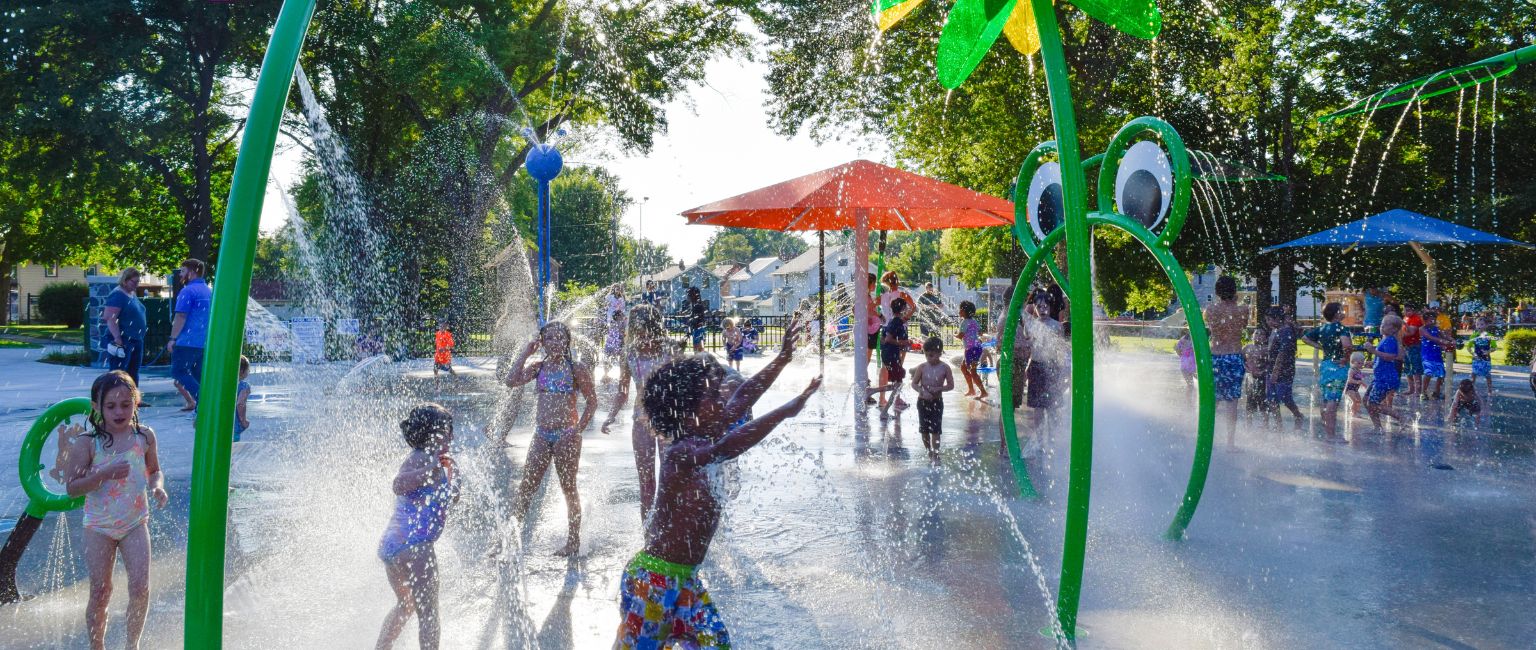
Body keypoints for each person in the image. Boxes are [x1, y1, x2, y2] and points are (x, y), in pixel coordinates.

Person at [614, 355, 820, 650]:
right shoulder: (681, 451)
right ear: (687, 411)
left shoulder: (706, 430)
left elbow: (744, 396)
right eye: (712, 396)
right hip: (654, 581)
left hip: (687, 580)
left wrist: (782, 358)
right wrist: (785, 411)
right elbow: (726, 447)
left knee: (716, 643)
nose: (723, 401)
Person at [58, 371, 168, 650]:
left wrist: (157, 486)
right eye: (111, 406)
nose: (119, 412)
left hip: (135, 523)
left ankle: (132, 645)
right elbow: (72, 488)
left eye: (126, 404)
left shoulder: (144, 436)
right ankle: (97, 646)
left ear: (136, 402)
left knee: (140, 587)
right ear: (96, 406)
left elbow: (154, 470)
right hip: (99, 526)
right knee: (101, 590)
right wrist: (103, 474)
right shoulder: (87, 442)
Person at [505, 321, 599, 556]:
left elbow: (592, 402)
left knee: (568, 488)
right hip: (541, 434)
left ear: (567, 341)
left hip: (566, 435)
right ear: (542, 343)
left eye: (560, 338)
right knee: (526, 487)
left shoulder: (576, 369)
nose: (555, 342)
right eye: (550, 338)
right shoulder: (538, 368)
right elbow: (510, 381)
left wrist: (577, 430)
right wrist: (525, 354)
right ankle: (508, 541)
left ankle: (573, 542)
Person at [376, 404, 459, 650]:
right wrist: (429, 470)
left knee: (406, 605)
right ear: (431, 433)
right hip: (416, 547)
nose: (452, 436)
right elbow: (398, 485)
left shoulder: (433, 461)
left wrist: (453, 476)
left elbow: (449, 498)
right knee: (429, 612)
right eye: (447, 430)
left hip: (394, 547)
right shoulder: (421, 458)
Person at [603, 305, 673, 520]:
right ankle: (648, 531)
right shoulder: (629, 353)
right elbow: (623, 391)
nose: (644, 336)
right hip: (641, 419)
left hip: (669, 420)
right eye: (639, 331)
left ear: (655, 327)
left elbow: (685, 383)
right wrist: (611, 415)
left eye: (647, 330)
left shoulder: (669, 349)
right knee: (646, 480)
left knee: (670, 477)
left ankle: (668, 529)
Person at [1205, 276, 1248, 450]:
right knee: (1232, 402)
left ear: (1217, 291)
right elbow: (1242, 326)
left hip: (1215, 356)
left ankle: (1206, 440)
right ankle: (1230, 443)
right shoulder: (1243, 309)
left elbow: (1212, 327)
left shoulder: (1210, 309)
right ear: (1234, 291)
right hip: (1234, 356)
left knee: (1212, 400)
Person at [1302, 302, 1354, 441]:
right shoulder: (1341, 328)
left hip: (1325, 365)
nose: (1344, 312)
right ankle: (1331, 435)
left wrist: (1320, 347)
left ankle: (1327, 432)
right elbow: (1347, 346)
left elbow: (1305, 338)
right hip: (1337, 367)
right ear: (1337, 313)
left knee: (1326, 399)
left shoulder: (1322, 328)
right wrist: (1345, 358)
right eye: (1342, 310)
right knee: (1333, 401)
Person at [167, 258, 212, 407]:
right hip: (203, 342)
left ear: (192, 272)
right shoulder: (209, 291)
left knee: (178, 372)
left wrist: (173, 338)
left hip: (187, 341)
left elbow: (181, 316)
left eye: (183, 271)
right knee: (199, 375)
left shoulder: (187, 291)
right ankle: (205, 406)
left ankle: (204, 402)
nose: (180, 274)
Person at [101, 268, 147, 387]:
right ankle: (115, 394)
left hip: (135, 338)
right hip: (124, 339)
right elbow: (110, 318)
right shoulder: (118, 295)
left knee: (133, 372)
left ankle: (133, 396)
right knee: (119, 373)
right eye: (134, 282)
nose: (136, 285)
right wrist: (117, 338)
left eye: (138, 282)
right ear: (125, 280)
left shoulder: (131, 293)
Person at [911, 336, 955, 454]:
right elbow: (914, 384)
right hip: (922, 402)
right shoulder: (922, 367)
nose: (928, 358)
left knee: (936, 430)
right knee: (924, 430)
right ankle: (928, 451)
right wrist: (921, 391)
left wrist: (939, 389)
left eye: (931, 355)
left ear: (939, 353)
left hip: (937, 402)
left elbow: (951, 385)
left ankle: (936, 453)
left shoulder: (945, 368)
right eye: (926, 355)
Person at [1265, 307, 1305, 430]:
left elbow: (1282, 353)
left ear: (1277, 318)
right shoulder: (1277, 330)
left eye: (1269, 319)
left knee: (1284, 397)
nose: (1268, 322)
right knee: (1271, 399)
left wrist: (1275, 372)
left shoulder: (1286, 331)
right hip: (1272, 368)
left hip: (1284, 370)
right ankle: (1279, 425)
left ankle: (1298, 415)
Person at [1365, 314, 1406, 433]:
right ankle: (1377, 427)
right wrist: (1373, 362)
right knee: (1366, 400)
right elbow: (1383, 357)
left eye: (1385, 325)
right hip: (1380, 377)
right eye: (1382, 324)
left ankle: (1401, 418)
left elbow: (1391, 357)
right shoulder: (1385, 339)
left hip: (1385, 378)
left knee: (1372, 404)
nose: (1381, 326)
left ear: (1394, 329)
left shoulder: (1390, 340)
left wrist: (1373, 351)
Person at [877, 297, 911, 416]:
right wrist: (904, 342)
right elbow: (888, 339)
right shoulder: (896, 321)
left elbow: (883, 338)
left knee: (897, 382)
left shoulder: (895, 320)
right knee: (898, 384)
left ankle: (892, 404)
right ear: (902, 309)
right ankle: (884, 409)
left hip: (890, 354)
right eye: (906, 307)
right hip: (891, 355)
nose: (907, 310)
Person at [1419, 308, 1454, 399]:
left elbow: (1445, 336)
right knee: (1428, 373)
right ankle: (1423, 392)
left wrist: (1452, 340)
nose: (1433, 321)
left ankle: (1436, 392)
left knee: (1441, 374)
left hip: (1437, 354)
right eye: (1431, 320)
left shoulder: (1437, 329)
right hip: (1427, 355)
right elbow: (1431, 338)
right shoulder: (1422, 329)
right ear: (1425, 320)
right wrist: (1443, 341)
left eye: (1434, 319)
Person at [956, 301, 987, 400]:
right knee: (963, 367)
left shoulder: (964, 322)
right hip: (977, 348)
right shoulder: (974, 321)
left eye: (960, 309)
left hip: (970, 349)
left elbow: (960, 336)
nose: (959, 311)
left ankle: (983, 392)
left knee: (973, 371)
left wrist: (955, 335)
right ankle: (971, 390)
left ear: (964, 311)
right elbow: (980, 333)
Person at [1244, 328, 1271, 424]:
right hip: (1250, 378)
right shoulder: (1247, 348)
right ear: (1252, 336)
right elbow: (1241, 361)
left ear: (1265, 338)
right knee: (1249, 401)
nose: (1258, 336)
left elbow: (1270, 364)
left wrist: (1264, 371)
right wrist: (1247, 369)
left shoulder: (1266, 349)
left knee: (1263, 401)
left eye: (1261, 334)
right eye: (1256, 333)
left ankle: (1265, 424)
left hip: (1262, 378)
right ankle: (1248, 424)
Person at [603, 285, 628, 379]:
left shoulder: (622, 298)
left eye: (619, 289)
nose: (618, 290)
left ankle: (621, 373)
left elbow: (623, 308)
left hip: (618, 318)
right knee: (609, 354)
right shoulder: (610, 297)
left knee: (619, 355)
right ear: (613, 289)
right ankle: (606, 374)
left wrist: (622, 316)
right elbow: (606, 304)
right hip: (612, 317)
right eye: (616, 288)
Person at [1402, 304, 1425, 397]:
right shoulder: (1405, 318)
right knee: (1407, 367)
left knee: (1416, 368)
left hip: (1415, 346)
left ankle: (1418, 391)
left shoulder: (1416, 319)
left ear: (1413, 310)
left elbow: (1411, 332)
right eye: (1405, 310)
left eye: (1409, 310)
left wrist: (1399, 333)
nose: (1407, 312)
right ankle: (1411, 389)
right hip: (1406, 346)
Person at [1470, 329, 1496, 398]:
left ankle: (1490, 391)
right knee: (1473, 374)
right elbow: (1468, 347)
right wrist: (1473, 354)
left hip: (1486, 359)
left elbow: (1494, 347)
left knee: (1487, 375)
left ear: (1486, 326)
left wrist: (1488, 351)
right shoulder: (1474, 336)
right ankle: (1471, 390)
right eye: (1477, 324)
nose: (1479, 326)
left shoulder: (1490, 336)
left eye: (1482, 324)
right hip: (1476, 359)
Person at [685, 286, 709, 353]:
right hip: (699, 329)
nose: (687, 297)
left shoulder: (697, 305)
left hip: (698, 329)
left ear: (693, 295)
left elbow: (697, 318)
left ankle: (700, 358)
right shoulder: (696, 304)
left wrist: (690, 321)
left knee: (697, 350)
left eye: (688, 295)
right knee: (699, 350)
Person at [1344, 351, 1369, 418]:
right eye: (1359, 363)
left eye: (1362, 363)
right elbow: (1349, 380)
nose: (1361, 365)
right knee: (1355, 400)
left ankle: (1355, 411)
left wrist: (1364, 384)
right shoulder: (1351, 370)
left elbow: (1361, 379)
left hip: (1355, 389)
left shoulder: (1359, 371)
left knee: (1359, 401)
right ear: (1352, 362)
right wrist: (1357, 382)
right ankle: (1353, 413)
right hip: (1349, 389)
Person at [234, 356, 252, 442]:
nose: (249, 371)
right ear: (241, 371)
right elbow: (240, 404)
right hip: (234, 425)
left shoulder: (224, 384)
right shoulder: (244, 386)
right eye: (248, 369)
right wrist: (243, 421)